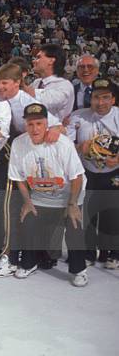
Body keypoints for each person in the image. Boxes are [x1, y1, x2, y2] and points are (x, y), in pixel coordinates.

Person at [8, 103, 88, 287]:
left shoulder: (62, 143)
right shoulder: (19, 143)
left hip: (69, 195)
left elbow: (76, 177)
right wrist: (27, 202)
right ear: (25, 125)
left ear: (46, 123)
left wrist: (73, 205)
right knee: (27, 221)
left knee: (74, 225)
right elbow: (18, 178)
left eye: (39, 123)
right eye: (30, 124)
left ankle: (79, 269)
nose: (35, 128)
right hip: (39, 195)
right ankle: (29, 263)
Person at [67, 78, 119, 268]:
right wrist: (81, 146)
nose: (100, 102)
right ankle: (88, 252)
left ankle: (113, 253)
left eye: (106, 97)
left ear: (113, 99)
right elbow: (66, 145)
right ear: (91, 98)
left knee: (112, 213)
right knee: (87, 214)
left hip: (113, 171)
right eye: (97, 97)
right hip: (87, 171)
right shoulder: (78, 116)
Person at [28, 43, 74, 121]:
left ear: (51, 61)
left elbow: (45, 103)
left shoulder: (64, 85)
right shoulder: (36, 82)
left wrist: (19, 84)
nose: (34, 61)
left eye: (38, 57)